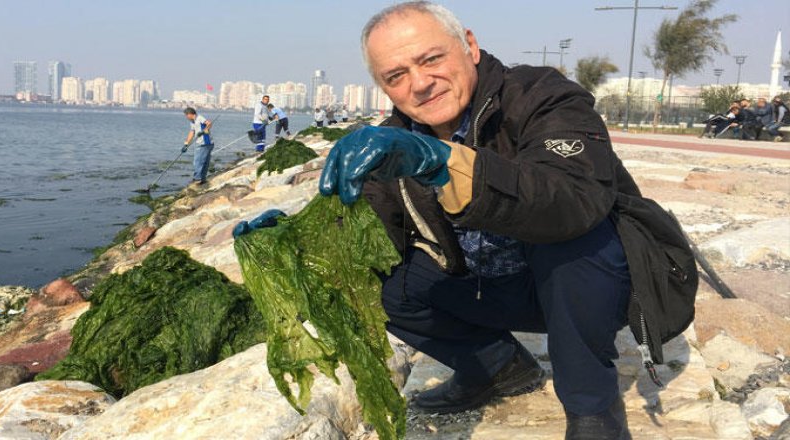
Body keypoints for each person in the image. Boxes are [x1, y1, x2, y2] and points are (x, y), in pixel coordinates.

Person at [236, 3, 697, 438]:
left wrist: (442, 163)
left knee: (576, 244)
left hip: (593, 284)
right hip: (496, 286)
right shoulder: (393, 140)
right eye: (397, 75)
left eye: (431, 58)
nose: (419, 83)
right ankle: (497, 366)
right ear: (384, 87)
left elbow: (572, 198)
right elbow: (369, 231)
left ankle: (593, 408)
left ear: (469, 46)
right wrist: (291, 239)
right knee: (386, 283)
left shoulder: (542, 96)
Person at [182, 107, 214, 185]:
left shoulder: (199, 118)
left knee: (198, 161)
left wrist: (204, 131)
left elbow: (209, 123)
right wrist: (186, 144)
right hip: (205, 144)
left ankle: (197, 179)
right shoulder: (192, 122)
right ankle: (202, 178)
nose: (186, 117)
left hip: (204, 143)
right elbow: (192, 132)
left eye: (186, 115)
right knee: (204, 162)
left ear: (190, 114)